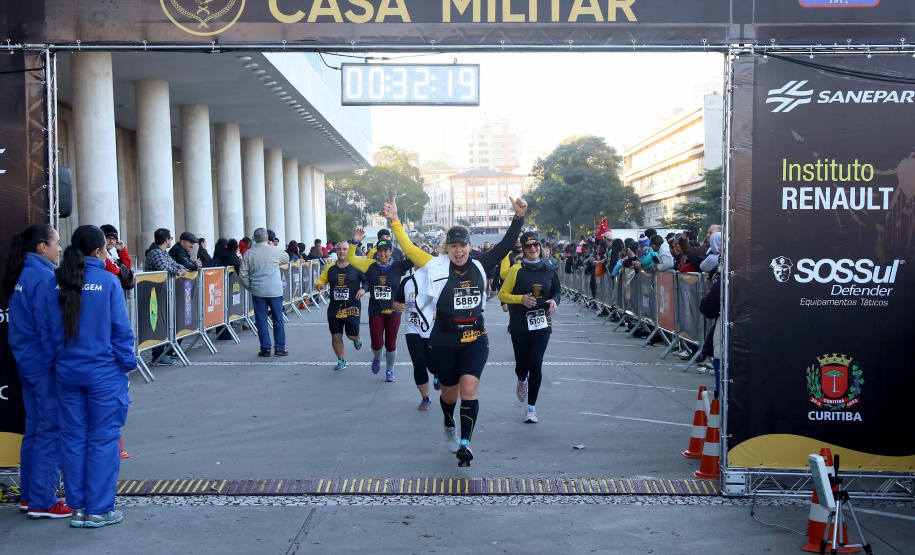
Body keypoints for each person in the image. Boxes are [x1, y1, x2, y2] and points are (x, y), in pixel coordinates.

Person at [384, 195, 528, 467]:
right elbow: (410, 249)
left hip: (475, 337)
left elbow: (507, 243)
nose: (458, 251)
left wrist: (519, 217)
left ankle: (465, 443)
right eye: (453, 246)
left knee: (469, 388)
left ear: (469, 246)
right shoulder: (435, 265)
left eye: (463, 245)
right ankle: (449, 424)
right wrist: (395, 221)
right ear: (447, 248)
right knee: (449, 395)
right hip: (444, 339)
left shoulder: (481, 263)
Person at [41, 225, 136, 528]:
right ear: (98, 251)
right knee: (103, 439)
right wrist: (128, 364)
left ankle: (79, 507)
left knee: (73, 439)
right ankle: (99, 509)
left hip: (67, 372)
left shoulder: (56, 282)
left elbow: (46, 331)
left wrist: (55, 362)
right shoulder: (107, 281)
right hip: (103, 374)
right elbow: (121, 330)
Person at [3, 224, 72, 519]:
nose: (60, 248)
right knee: (49, 429)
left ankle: (31, 496)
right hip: (43, 364)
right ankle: (43, 500)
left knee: (35, 429)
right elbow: (50, 327)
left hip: (27, 362)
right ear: (43, 247)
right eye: (57, 243)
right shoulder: (44, 277)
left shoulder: (25, 273)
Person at [499, 231, 560, 423]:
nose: (533, 248)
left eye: (535, 245)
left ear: (540, 247)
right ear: (524, 249)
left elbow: (557, 291)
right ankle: (521, 379)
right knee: (522, 364)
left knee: (536, 362)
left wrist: (554, 301)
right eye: (528, 246)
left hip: (542, 322)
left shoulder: (549, 269)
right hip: (520, 323)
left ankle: (531, 408)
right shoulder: (516, 270)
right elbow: (502, 294)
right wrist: (520, 299)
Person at [347, 230, 414, 382]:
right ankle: (377, 357)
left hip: (393, 310)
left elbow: (415, 257)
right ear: (376, 251)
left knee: (390, 343)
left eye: (386, 251)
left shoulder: (398, 266)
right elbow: (350, 258)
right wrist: (354, 242)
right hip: (376, 310)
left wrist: (405, 242)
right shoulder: (369, 265)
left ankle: (390, 370)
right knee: (377, 343)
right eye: (380, 250)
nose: (383, 254)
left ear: (391, 251)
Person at [315, 241, 367, 371]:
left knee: (351, 335)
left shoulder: (357, 267)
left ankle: (357, 338)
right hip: (335, 308)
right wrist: (319, 285)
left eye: (345, 249)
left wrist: (363, 289)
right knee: (336, 335)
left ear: (349, 251)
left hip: (352, 308)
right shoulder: (330, 268)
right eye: (339, 249)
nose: (342, 251)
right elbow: (321, 279)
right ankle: (341, 360)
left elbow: (367, 281)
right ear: (336, 251)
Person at [239, 228, 289, 357]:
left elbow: (242, 274)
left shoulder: (249, 254)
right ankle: (280, 347)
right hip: (275, 290)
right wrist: (272, 246)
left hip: (258, 291)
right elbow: (286, 258)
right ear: (267, 238)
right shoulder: (275, 250)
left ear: (254, 239)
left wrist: (250, 287)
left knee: (261, 320)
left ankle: (265, 348)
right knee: (278, 318)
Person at [144, 228, 186, 365]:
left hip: (162, 292)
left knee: (164, 322)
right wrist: (178, 271)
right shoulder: (155, 252)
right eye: (170, 238)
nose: (171, 241)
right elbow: (164, 267)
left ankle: (164, 352)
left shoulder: (162, 252)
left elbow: (173, 263)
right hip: (155, 293)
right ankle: (158, 354)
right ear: (166, 240)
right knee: (158, 324)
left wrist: (180, 268)